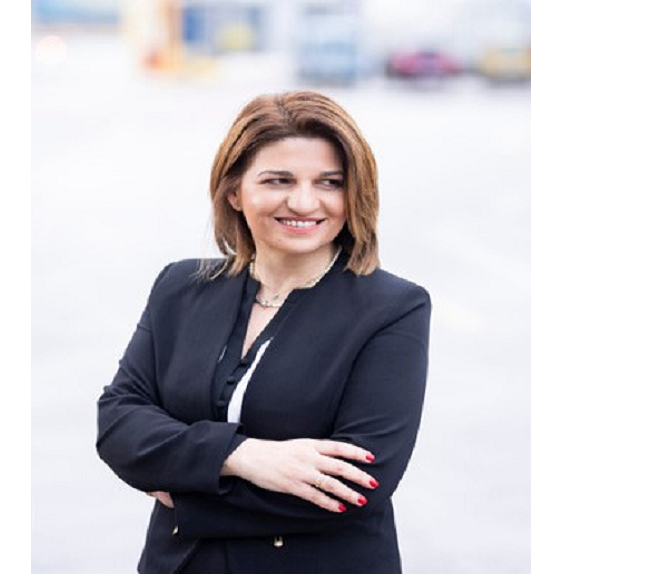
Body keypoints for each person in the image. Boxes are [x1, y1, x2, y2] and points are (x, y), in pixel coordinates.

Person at [96, 90, 431, 573]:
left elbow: (355, 483)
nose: (304, 201)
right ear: (234, 191)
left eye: (330, 182)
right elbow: (119, 423)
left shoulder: (393, 308)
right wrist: (241, 455)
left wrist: (183, 488)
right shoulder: (180, 287)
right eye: (279, 180)